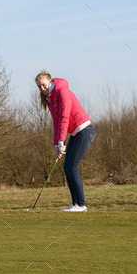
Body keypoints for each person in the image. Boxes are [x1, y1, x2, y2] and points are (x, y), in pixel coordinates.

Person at [35, 70, 95, 212]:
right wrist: (56, 145)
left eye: (43, 85)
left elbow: (64, 118)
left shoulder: (62, 92)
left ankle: (81, 204)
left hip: (85, 131)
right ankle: (76, 204)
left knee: (72, 167)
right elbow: (56, 123)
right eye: (39, 87)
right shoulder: (50, 99)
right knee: (67, 167)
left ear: (50, 81)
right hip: (76, 133)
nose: (42, 89)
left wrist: (62, 141)